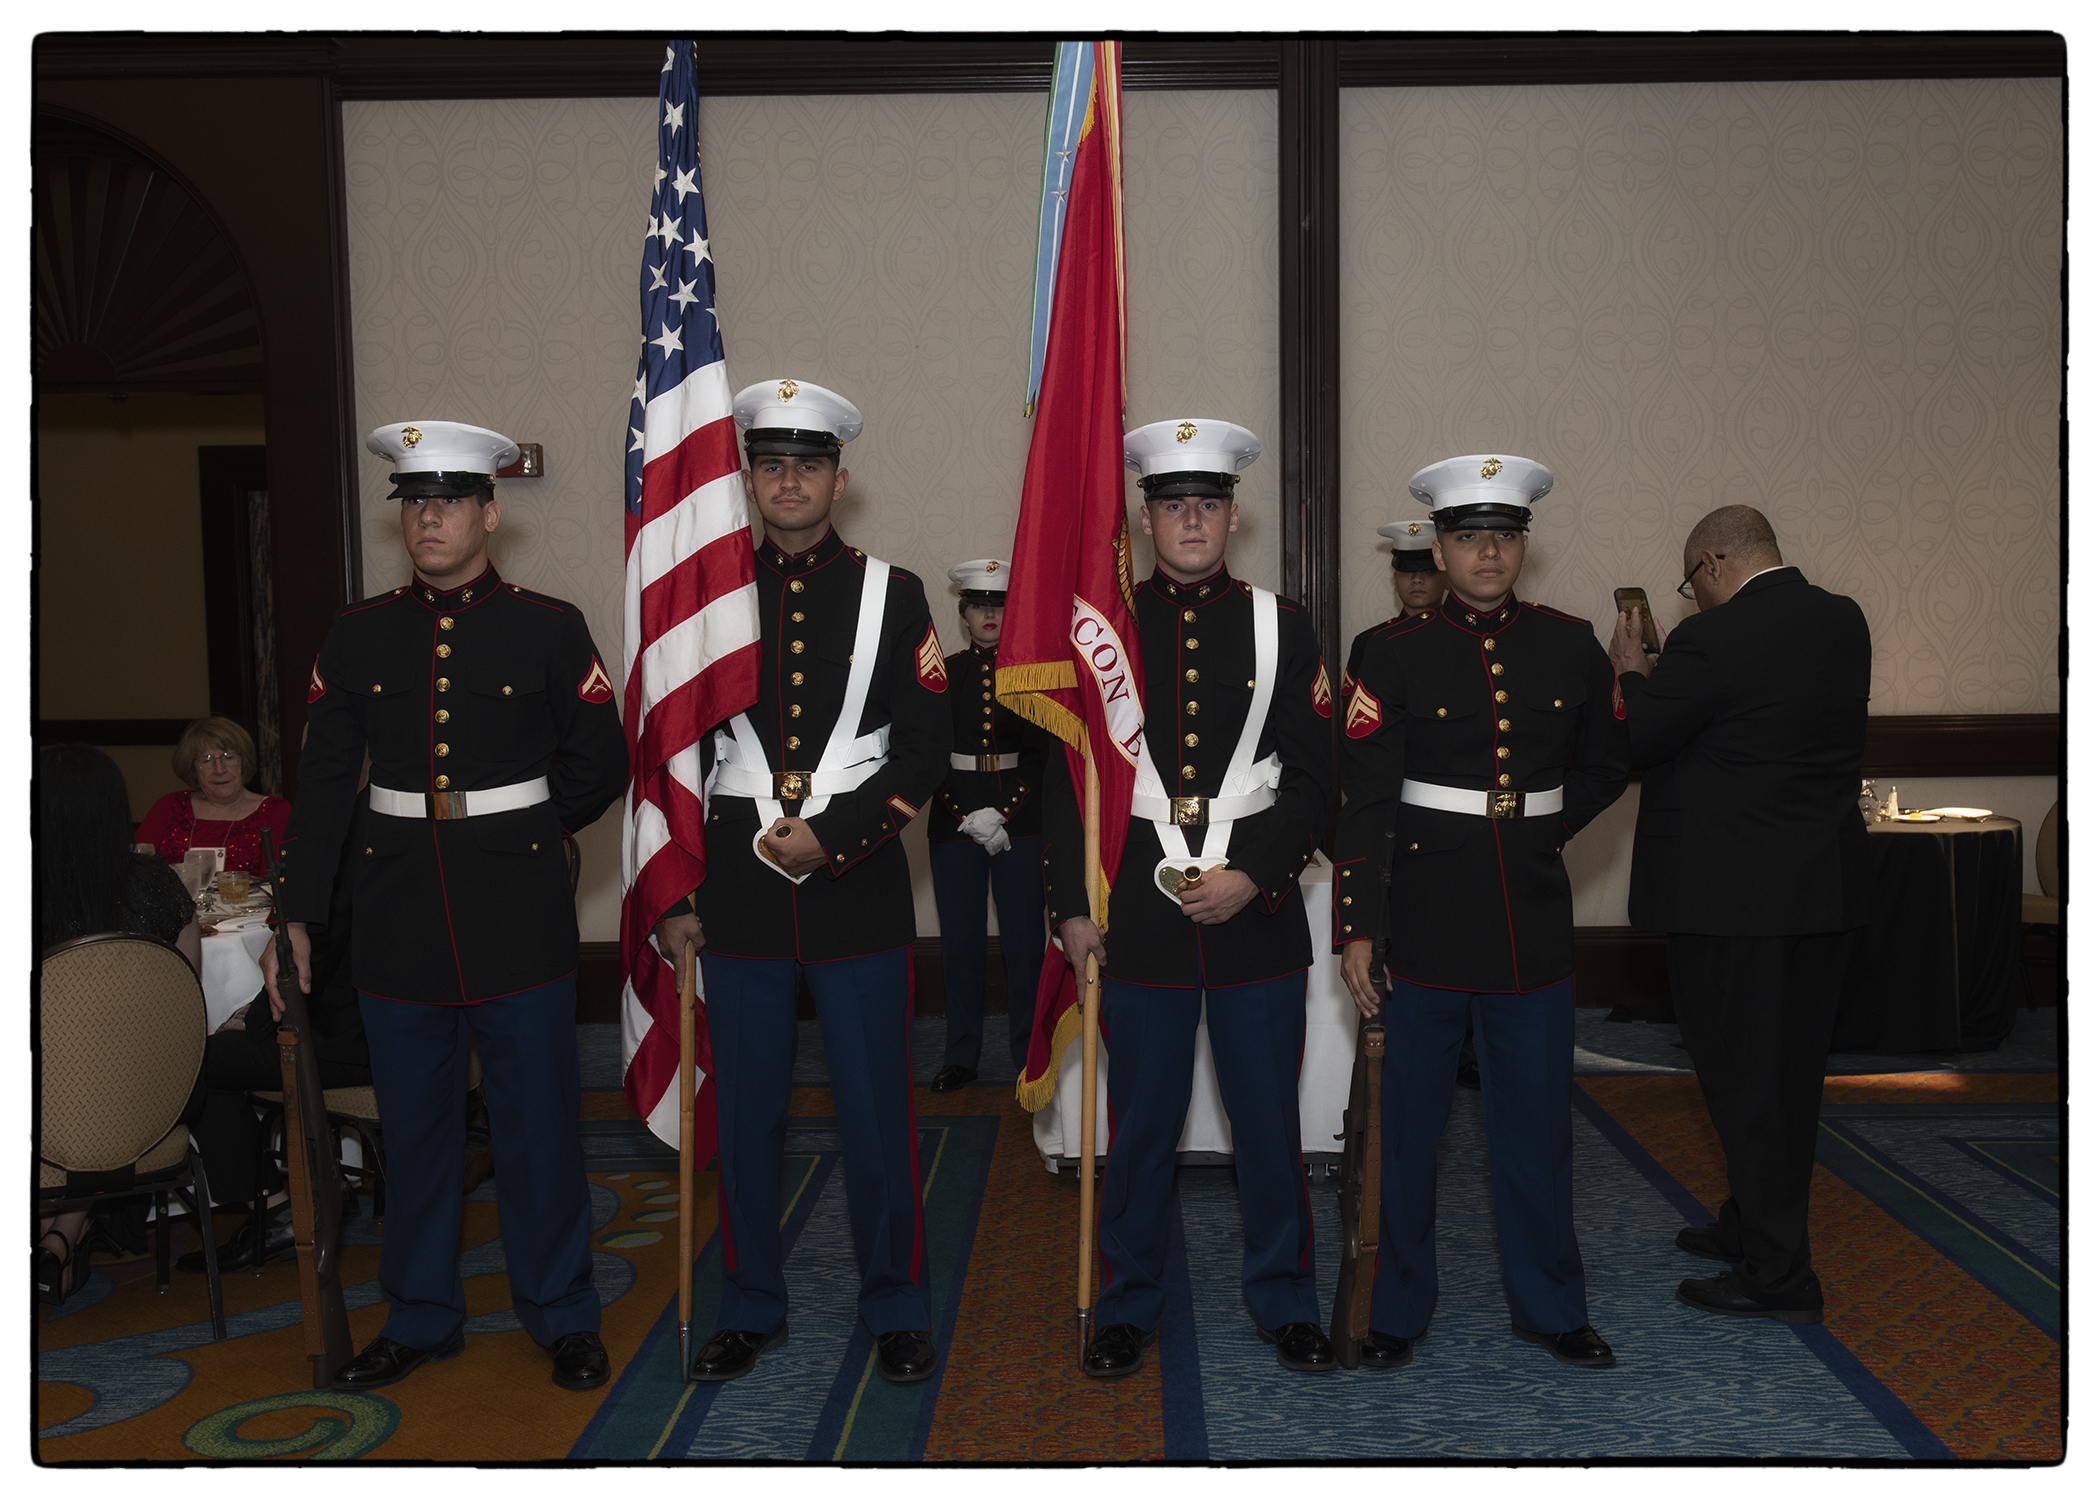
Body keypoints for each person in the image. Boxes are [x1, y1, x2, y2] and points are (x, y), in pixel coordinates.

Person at [266, 419, 628, 1394]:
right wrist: (295, 914)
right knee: (416, 1133)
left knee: (537, 1131)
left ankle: (561, 1312)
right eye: (415, 502)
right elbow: (322, 785)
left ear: (490, 513)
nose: (429, 517)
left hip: (517, 914)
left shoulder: (548, 626)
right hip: (396, 914)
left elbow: (600, 761)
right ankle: (421, 1315)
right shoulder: (357, 633)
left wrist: (526, 829)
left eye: (450, 500)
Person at [651, 378, 948, 1387]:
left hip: (855, 887)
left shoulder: (893, 592)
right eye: (771, 463)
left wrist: (836, 836)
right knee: (746, 1119)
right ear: (746, 478)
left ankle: (895, 1303)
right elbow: (669, 753)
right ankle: (749, 1303)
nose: (789, 480)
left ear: (839, 479)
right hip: (733, 893)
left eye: (807, 464)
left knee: (876, 1116)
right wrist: (671, 892)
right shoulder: (703, 594)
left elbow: (923, 750)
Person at [1048, 418, 1335, 1380]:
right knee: (1140, 1127)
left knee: (1268, 1126)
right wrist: (1068, 904)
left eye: (1207, 504)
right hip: (1137, 909)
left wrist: (1256, 872)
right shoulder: (1102, 632)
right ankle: (1127, 1302)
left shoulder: (1283, 623)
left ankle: (1285, 1299)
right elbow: (1068, 777)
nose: (1191, 521)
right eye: (1172, 506)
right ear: (1145, 518)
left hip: (1256, 908)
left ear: (1233, 516)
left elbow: (1316, 779)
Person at [1334, 453, 1628, 1371]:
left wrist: (1546, 830)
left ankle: (1552, 1306)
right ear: (1439, 549)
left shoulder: (1569, 642)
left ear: (1523, 546)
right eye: (1467, 537)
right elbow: (1365, 799)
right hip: (1423, 920)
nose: (1487, 552)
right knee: (1407, 1132)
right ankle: (1395, 1309)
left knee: (1537, 1130)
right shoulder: (1391, 653)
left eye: (1503, 536)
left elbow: (1609, 760)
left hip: (1529, 921)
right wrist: (1358, 926)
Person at [1607, 504, 1871, 1326]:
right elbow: (1751, 726)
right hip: (1820, 892)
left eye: (1691, 581)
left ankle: (1779, 1274)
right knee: (1788, 1079)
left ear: (1714, 562)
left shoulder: (1710, 639)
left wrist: (1631, 672)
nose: (1691, 596)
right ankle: (1751, 1224)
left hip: (1732, 905)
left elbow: (1640, 737)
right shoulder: (1843, 620)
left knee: (1744, 1085)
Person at [177, 786, 376, 1276]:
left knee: (194, 1064)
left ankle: (275, 1209)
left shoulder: (353, 825)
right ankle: (322, 1181)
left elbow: (318, 959)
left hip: (355, 1039)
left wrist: (254, 1017)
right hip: (413, 1029)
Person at [36, 744, 204, 1304]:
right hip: (145, 1103)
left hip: (43, 1107)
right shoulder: (158, 884)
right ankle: (62, 1235)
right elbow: (187, 998)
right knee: (95, 1102)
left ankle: (51, 1236)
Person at [1349, 514, 1484, 1090]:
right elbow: (1360, 745)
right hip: (1398, 824)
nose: (1417, 582)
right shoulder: (1374, 646)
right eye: (1406, 573)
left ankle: (1470, 1051)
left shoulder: (1473, 641)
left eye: (1425, 571)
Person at [926, 558, 1051, 1091]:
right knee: (960, 944)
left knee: (1024, 944)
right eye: (979, 605)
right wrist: (964, 812)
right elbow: (927, 751)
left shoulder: (1034, 675)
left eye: (999, 605)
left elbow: (1043, 754)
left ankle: (1029, 1054)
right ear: (964, 615)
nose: (989, 615)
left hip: (1020, 822)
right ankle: (961, 1055)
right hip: (952, 823)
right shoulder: (943, 675)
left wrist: (1003, 810)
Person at [136, 717, 292, 878]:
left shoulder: (275, 811)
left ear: (243, 762)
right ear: (193, 768)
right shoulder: (169, 807)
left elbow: (276, 883)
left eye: (228, 757)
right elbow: (136, 872)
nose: (219, 770)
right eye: (206, 760)